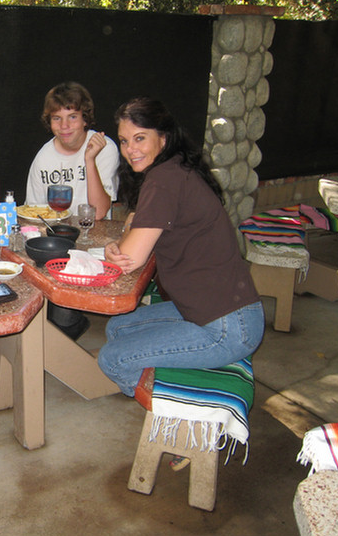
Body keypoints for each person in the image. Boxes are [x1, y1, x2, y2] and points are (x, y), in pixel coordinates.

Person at [97, 97, 264, 398]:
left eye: (139, 138)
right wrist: (125, 235)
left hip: (226, 327)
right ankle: (163, 366)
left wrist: (119, 241)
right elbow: (134, 232)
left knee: (113, 358)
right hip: (209, 308)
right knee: (118, 329)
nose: (130, 149)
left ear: (163, 137)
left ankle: (174, 403)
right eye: (124, 141)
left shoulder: (164, 181)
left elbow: (128, 259)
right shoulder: (173, 169)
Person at [25, 81, 120, 339]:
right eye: (57, 118)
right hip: (56, 240)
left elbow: (99, 211)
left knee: (61, 323)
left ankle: (66, 327)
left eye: (72, 117)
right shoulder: (43, 158)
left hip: (93, 239)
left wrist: (89, 160)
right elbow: (34, 215)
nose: (65, 126)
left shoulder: (104, 148)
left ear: (85, 118)